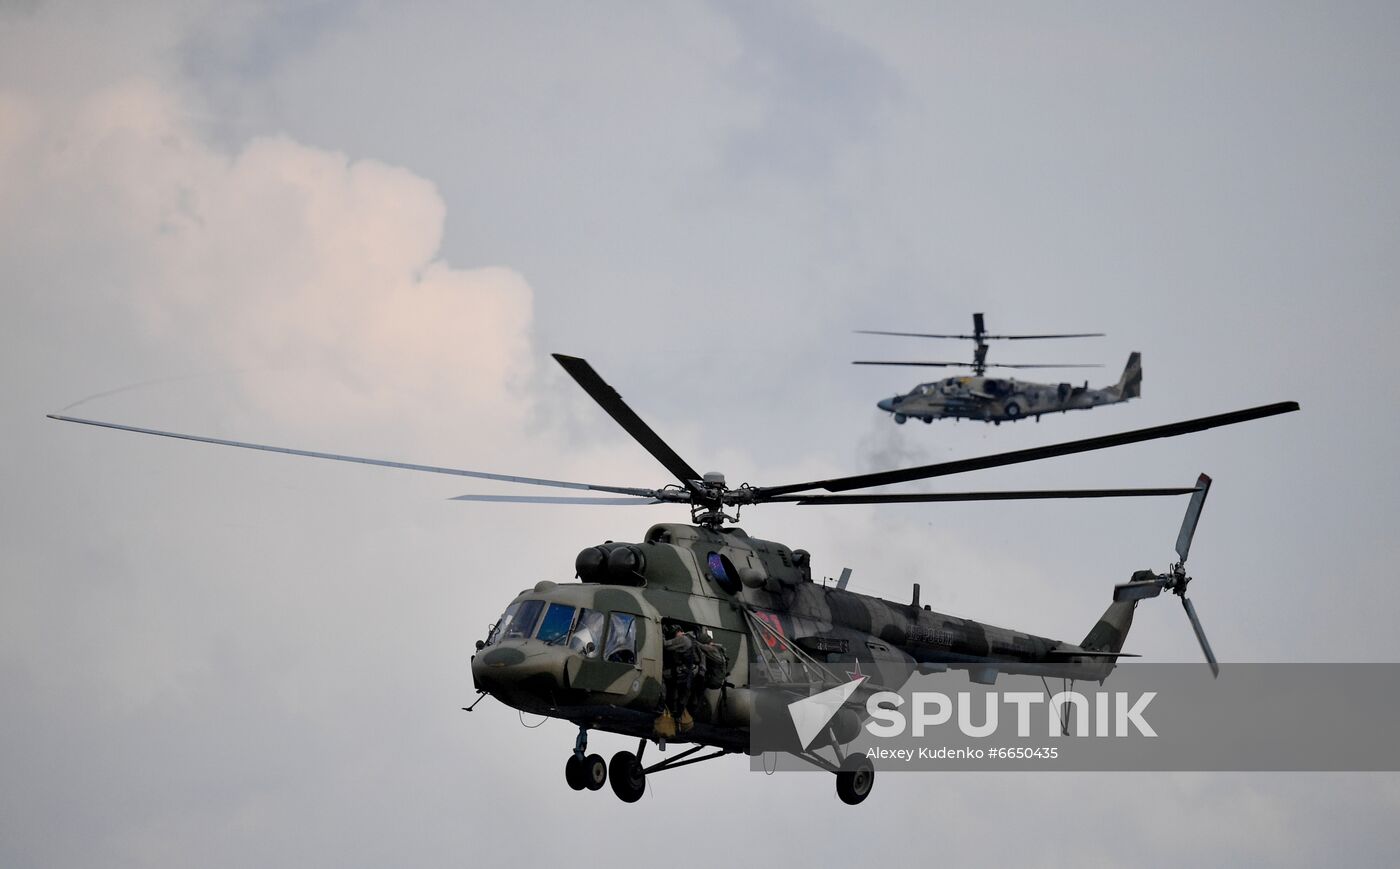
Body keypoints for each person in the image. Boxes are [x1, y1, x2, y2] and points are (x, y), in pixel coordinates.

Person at [662, 624, 697, 732]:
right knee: (681, 700)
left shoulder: (682, 639)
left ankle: (663, 707)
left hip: (680, 674)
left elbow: (665, 645)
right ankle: (677, 719)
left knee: (661, 677)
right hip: (687, 676)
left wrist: (661, 634)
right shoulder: (691, 640)